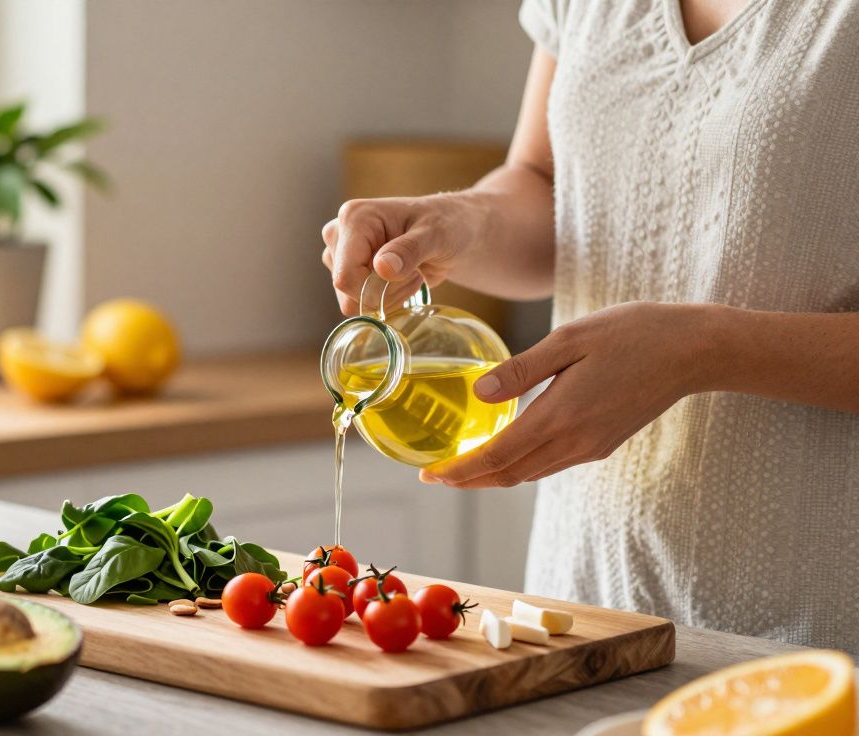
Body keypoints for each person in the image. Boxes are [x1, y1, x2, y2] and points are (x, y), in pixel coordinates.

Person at [321, 0, 859, 652]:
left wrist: (701, 349)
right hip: (585, 605)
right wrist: (459, 221)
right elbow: (553, 187)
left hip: (821, 621)